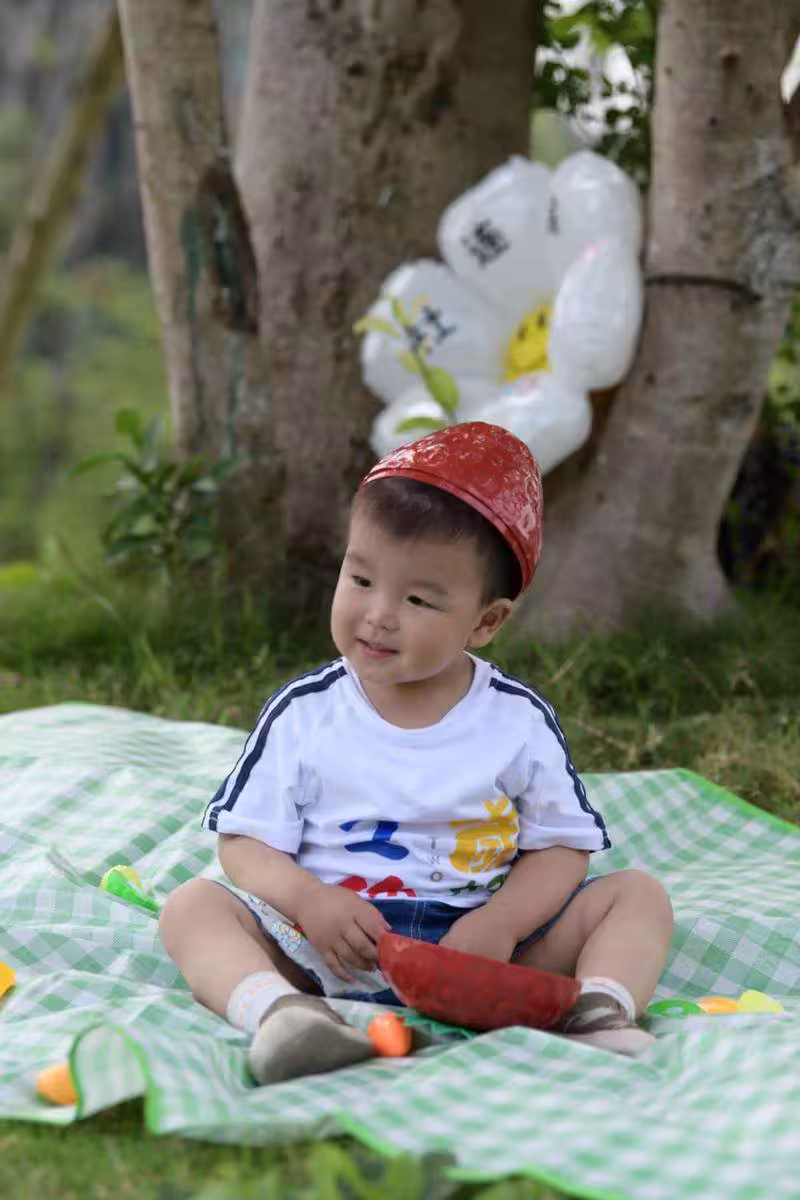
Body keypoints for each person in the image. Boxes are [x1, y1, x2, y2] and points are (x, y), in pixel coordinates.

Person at [159, 421, 674, 1085]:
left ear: (486, 621)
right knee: (193, 907)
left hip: (485, 955)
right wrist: (309, 900)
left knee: (637, 896)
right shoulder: (306, 713)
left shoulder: (515, 721)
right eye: (360, 578)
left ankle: (597, 1013)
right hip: (330, 953)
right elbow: (244, 843)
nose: (378, 614)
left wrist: (501, 923)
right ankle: (284, 1018)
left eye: (418, 599)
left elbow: (561, 848)